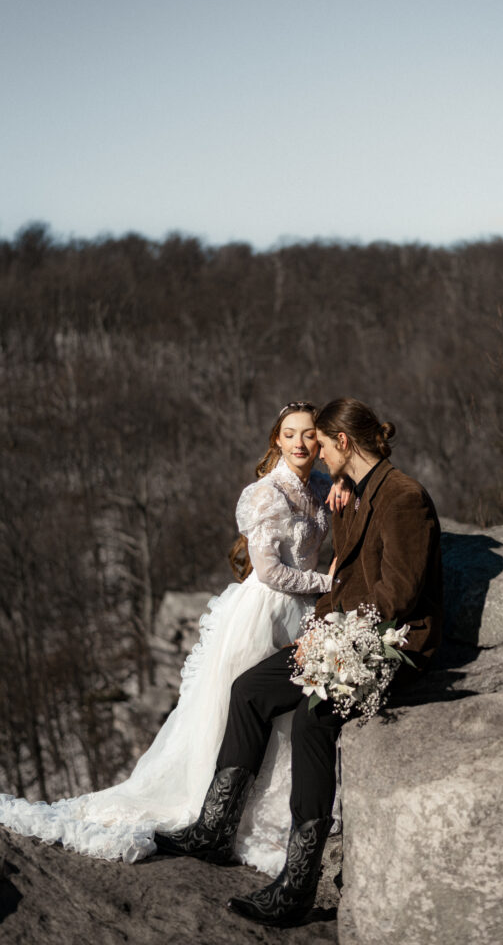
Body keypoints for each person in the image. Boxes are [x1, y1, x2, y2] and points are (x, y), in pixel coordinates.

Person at [0, 402, 347, 876]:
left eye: (310, 435)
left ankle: (267, 813)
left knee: (288, 719)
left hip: (305, 613)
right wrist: (329, 585)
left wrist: (345, 492)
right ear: (277, 440)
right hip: (265, 610)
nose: (302, 444)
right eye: (291, 434)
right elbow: (267, 570)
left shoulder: (326, 486)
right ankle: (218, 816)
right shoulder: (264, 495)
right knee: (237, 710)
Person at [158, 397, 443, 928]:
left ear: (342, 443)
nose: (311, 449)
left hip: (391, 643)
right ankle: (215, 830)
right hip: (344, 633)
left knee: (313, 717)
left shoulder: (403, 497)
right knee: (249, 689)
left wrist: (339, 634)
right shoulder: (350, 493)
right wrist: (323, 628)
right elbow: (343, 577)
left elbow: (399, 594)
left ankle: (297, 885)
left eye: (319, 440)